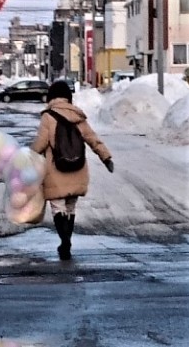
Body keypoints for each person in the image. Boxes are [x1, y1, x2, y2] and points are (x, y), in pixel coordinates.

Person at [30, 80, 114, 261]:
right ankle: (67, 241)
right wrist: (106, 157)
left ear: (51, 97)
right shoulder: (78, 116)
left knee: (58, 206)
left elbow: (40, 143)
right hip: (77, 167)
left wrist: (27, 157)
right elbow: (93, 139)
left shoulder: (48, 117)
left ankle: (64, 240)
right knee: (70, 206)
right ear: (68, 96)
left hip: (56, 169)